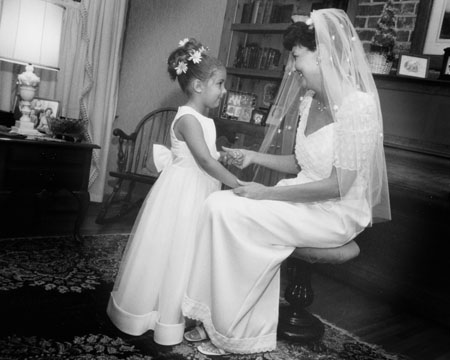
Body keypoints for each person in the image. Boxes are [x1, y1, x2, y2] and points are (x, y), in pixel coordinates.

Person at [182, 9, 391, 356]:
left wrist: (265, 194)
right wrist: (253, 157)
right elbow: (300, 161)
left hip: (334, 211)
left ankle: (236, 330)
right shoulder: (310, 100)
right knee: (217, 204)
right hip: (300, 196)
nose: (292, 67)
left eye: (296, 57)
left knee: (235, 214)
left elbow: (337, 186)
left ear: (321, 54)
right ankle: (221, 318)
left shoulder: (358, 107)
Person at [107, 38, 241, 346]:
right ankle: (158, 316)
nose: (223, 91)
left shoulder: (203, 120)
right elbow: (203, 160)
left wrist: (225, 156)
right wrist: (237, 184)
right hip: (183, 194)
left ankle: (185, 310)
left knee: (192, 252)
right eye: (219, 84)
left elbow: (208, 155)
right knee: (174, 249)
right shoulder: (187, 118)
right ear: (197, 85)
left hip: (199, 189)